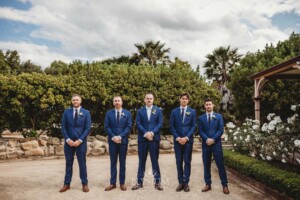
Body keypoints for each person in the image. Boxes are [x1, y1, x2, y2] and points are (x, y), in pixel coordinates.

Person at [59, 94, 91, 193]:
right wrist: (67, 139)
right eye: (73, 100)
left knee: (82, 163)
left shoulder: (86, 112)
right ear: (72, 101)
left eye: (77, 100)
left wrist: (80, 140)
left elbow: (87, 128)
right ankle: (66, 184)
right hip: (68, 143)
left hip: (80, 143)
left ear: (80, 101)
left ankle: (84, 184)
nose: (75, 101)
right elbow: (63, 127)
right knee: (68, 163)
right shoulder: (66, 112)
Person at [132, 93, 164, 191]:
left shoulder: (158, 111)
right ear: (144, 100)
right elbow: (138, 123)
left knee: (155, 161)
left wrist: (152, 133)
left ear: (153, 100)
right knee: (141, 161)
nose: (149, 100)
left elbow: (160, 123)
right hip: (143, 139)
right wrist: (146, 133)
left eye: (150, 98)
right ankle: (139, 182)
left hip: (154, 140)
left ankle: (157, 183)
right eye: (147, 98)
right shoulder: (140, 111)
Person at [198, 98, 229, 194]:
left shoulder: (219, 116)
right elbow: (200, 131)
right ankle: (208, 184)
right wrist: (207, 139)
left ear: (213, 105)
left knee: (220, 165)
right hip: (206, 144)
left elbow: (220, 130)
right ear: (204, 106)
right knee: (206, 165)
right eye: (206, 104)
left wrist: (213, 139)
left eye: (210, 104)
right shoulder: (201, 118)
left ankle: (225, 185)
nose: (208, 106)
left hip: (216, 145)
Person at [104, 96, 132, 191]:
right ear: (113, 103)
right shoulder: (109, 113)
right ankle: (112, 183)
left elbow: (128, 127)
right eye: (115, 101)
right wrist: (113, 137)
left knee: (122, 162)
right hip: (112, 142)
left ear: (122, 102)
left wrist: (120, 136)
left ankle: (122, 183)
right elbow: (107, 127)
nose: (117, 102)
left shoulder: (127, 113)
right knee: (113, 162)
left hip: (123, 141)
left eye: (118, 101)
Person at [170, 93, 196, 192]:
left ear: (188, 100)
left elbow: (193, 126)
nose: (184, 100)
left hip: (188, 141)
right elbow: (171, 126)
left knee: (187, 161)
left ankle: (186, 183)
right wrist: (177, 137)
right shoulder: (174, 112)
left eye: (186, 99)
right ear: (179, 99)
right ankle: (180, 182)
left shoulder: (192, 111)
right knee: (178, 161)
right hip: (177, 141)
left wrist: (186, 137)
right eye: (182, 98)